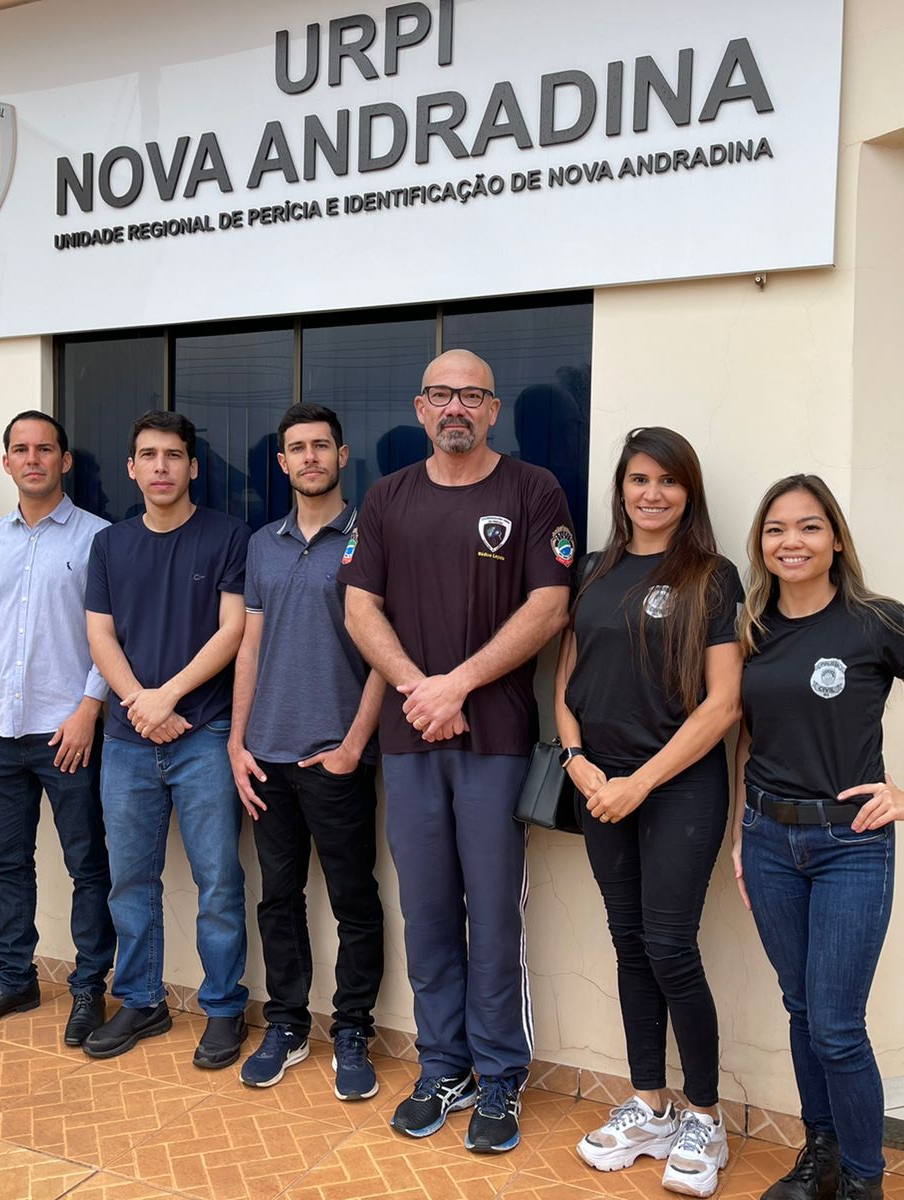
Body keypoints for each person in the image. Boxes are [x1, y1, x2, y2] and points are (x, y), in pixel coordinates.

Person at [341, 349, 573, 1154]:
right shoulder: (386, 497)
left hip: (496, 741)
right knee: (428, 911)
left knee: (493, 919)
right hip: (410, 744)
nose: (456, 409)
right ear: (419, 406)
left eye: (471, 395)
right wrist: (419, 690)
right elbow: (359, 609)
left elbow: (548, 607)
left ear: (494, 408)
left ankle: (501, 1076)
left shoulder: (533, 490)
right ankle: (445, 1067)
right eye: (442, 395)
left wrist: (458, 687)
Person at [732, 475, 904, 1200]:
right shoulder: (747, 628)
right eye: (776, 529)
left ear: (835, 538)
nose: (791, 542)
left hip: (851, 846)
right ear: (761, 544)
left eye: (809, 527)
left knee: (836, 1023)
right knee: (801, 1009)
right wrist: (739, 837)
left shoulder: (876, 621)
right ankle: (821, 1159)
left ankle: (864, 1183)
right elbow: (746, 741)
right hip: (769, 840)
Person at [553, 427, 744, 1196]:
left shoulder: (712, 576)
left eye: (667, 481)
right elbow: (569, 681)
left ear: (687, 493)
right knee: (629, 944)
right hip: (600, 786)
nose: (652, 493)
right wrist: (576, 759)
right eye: (638, 479)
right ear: (621, 490)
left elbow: (724, 704)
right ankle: (650, 1105)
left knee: (670, 946)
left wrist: (639, 781)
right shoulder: (595, 573)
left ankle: (705, 1115)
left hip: (679, 787)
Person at [82, 409, 253, 1067]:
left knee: (218, 882)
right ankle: (142, 1003)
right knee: (130, 880)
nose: (161, 467)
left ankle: (223, 1010)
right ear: (132, 468)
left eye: (173, 456)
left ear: (192, 468)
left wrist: (169, 696)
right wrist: (139, 704)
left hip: (203, 736)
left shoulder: (228, 536)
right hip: (126, 742)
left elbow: (232, 630)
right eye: (148, 455)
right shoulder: (111, 545)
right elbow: (100, 634)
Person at [229, 402, 386, 1100]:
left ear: (343, 456)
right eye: (297, 447)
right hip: (267, 757)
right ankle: (288, 1022)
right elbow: (249, 647)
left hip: (336, 757)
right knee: (278, 899)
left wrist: (355, 744)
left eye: (322, 445)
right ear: (283, 462)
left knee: (355, 899)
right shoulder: (262, 543)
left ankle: (351, 1028)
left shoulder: (370, 539)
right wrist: (237, 741)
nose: (310, 458)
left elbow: (388, 651)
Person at [0, 410, 115, 1047]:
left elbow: (110, 635)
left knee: (86, 867)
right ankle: (15, 979)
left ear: (65, 461)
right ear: (7, 462)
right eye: (21, 449)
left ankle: (87, 990)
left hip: (65, 733)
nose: (34, 459)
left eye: (46, 449)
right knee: (8, 864)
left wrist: (88, 708)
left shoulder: (99, 538)